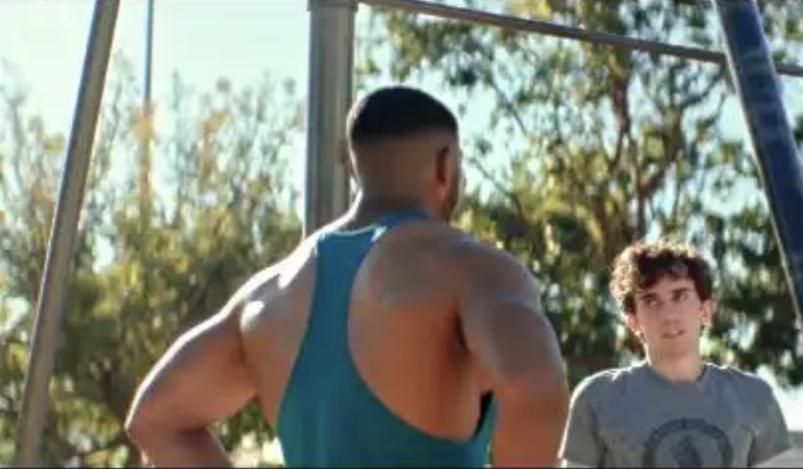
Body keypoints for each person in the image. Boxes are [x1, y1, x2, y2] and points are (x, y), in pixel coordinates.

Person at [124, 86, 570, 467]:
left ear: (358, 168)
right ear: (445, 164)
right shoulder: (471, 267)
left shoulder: (266, 295)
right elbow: (535, 387)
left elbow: (154, 420)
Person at [559, 239, 792, 468]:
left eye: (680, 296)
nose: (668, 315)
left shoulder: (753, 396)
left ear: (705, 310)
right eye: (651, 301)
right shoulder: (598, 398)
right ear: (633, 321)